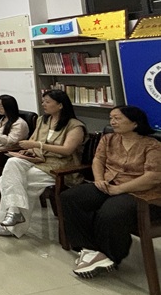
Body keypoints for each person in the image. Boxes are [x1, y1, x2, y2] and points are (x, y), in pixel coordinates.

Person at [61, 106, 161, 278]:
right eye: (111, 118)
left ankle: (110, 254)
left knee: (110, 211)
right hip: (109, 184)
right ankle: (89, 248)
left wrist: (120, 189)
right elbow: (98, 160)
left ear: (135, 123)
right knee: (71, 197)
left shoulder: (152, 145)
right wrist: (99, 180)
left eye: (117, 118)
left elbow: (153, 177)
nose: (112, 122)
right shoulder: (108, 139)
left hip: (140, 192)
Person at [0, 89, 86, 238]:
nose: (43, 105)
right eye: (43, 101)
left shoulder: (75, 126)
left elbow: (67, 150)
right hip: (39, 160)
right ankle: (13, 216)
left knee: (15, 181)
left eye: (47, 102)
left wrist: (38, 145)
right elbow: (33, 140)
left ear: (60, 105)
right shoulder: (43, 120)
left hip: (61, 166)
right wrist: (28, 150)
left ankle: (11, 224)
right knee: (12, 163)